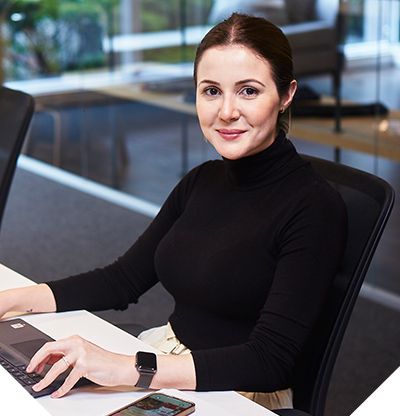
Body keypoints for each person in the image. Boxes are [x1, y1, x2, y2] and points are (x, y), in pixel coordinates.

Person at [0, 13, 347, 410]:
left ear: (286, 96)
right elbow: (122, 280)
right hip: (167, 362)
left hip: (239, 392)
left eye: (248, 91)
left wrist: (127, 368)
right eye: (211, 91)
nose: (227, 111)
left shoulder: (314, 207)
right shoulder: (203, 180)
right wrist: (11, 300)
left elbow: (268, 361)